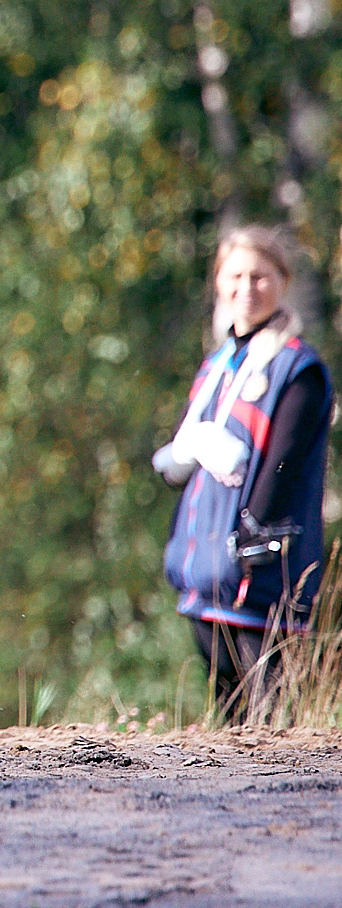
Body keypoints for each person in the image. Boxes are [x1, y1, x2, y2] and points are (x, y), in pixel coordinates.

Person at [154, 225, 333, 719]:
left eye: (260, 276)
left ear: (283, 281)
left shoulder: (298, 369)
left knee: (271, 721)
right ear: (218, 282)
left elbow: (285, 464)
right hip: (205, 573)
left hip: (260, 579)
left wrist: (250, 538)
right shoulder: (216, 367)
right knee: (229, 722)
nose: (246, 288)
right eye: (235, 276)